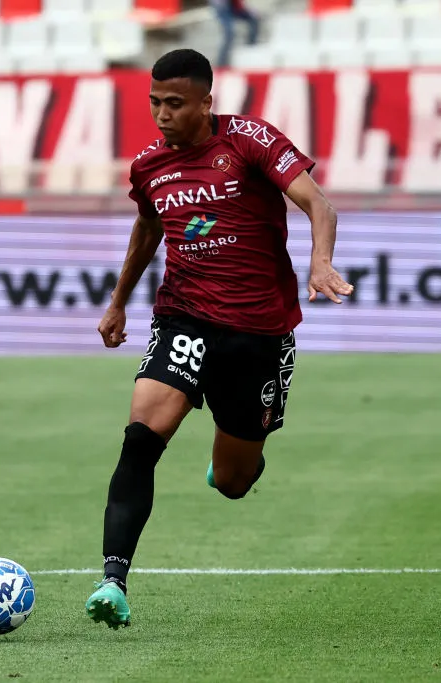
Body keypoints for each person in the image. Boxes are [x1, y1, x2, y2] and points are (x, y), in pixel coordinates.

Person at [85, 49, 353, 629]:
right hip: (184, 320)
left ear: (206, 101)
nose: (162, 115)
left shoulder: (250, 140)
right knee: (140, 439)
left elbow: (319, 204)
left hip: (257, 332)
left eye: (175, 103)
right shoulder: (149, 165)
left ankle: (236, 462)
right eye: (155, 103)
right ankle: (113, 581)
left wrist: (321, 262)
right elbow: (148, 227)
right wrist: (118, 300)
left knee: (233, 482)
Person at [209, 0, 260, 68]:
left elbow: (240, 5)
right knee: (230, 33)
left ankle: (250, 48)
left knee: (254, 19)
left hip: (234, 5)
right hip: (223, 8)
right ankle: (221, 64)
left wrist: (250, 10)